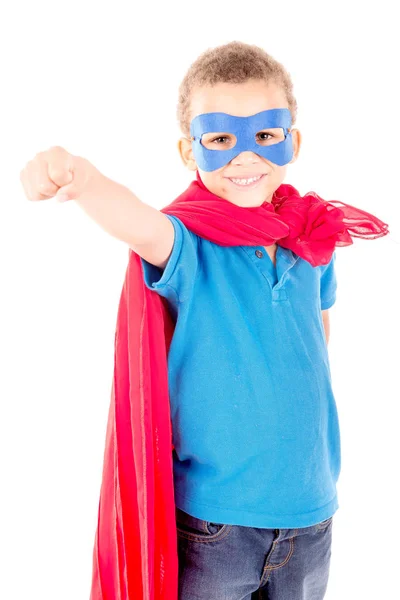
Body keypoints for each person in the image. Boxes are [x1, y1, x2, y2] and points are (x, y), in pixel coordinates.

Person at [20, 41, 389, 600]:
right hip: (216, 527)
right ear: (189, 151)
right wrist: (84, 180)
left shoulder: (312, 237)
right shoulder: (189, 244)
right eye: (220, 138)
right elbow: (140, 224)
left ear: (294, 139)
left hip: (313, 512)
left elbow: (317, 336)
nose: (246, 157)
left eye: (266, 134)